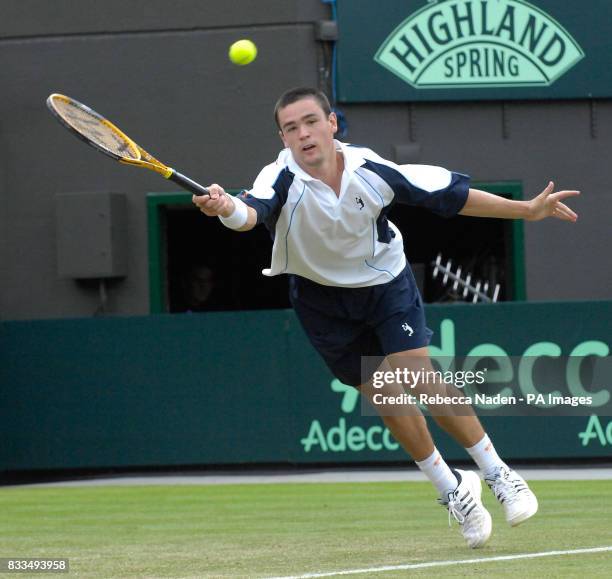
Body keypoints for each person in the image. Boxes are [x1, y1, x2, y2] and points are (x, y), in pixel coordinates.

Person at [192, 87, 579, 548]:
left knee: (417, 373)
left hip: (384, 283)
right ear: (283, 137)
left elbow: (452, 196)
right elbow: (249, 212)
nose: (304, 134)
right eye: (292, 128)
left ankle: (499, 474)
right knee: (386, 398)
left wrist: (526, 210)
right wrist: (223, 208)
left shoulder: (370, 169)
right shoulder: (279, 178)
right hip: (321, 300)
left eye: (311, 121)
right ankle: (453, 490)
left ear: (331, 123)